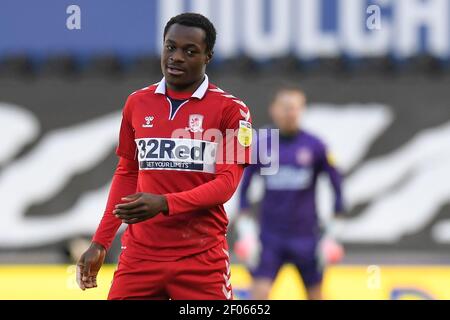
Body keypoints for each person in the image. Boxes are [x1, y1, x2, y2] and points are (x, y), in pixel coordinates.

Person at [76, 13, 252, 300]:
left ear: (208, 56)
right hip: (140, 256)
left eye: (190, 51)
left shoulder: (233, 111)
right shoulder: (137, 102)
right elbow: (127, 172)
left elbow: (227, 184)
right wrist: (101, 242)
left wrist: (165, 203)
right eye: (170, 47)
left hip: (201, 258)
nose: (176, 57)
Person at [238, 88, 344, 300]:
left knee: (316, 294)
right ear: (273, 110)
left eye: (295, 108)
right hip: (270, 237)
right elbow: (244, 186)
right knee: (259, 294)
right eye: (285, 107)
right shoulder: (262, 144)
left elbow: (337, 185)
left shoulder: (315, 145)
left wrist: (333, 233)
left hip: (306, 236)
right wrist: (245, 231)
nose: (290, 113)